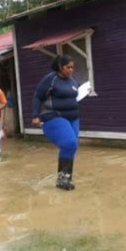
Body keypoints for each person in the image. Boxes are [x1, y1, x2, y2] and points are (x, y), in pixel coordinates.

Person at [32, 54, 79, 191]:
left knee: (72, 146)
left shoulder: (72, 80)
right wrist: (35, 115)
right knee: (69, 143)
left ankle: (65, 179)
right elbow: (38, 96)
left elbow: (74, 93)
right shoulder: (51, 79)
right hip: (54, 115)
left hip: (73, 117)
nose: (71, 70)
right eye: (68, 67)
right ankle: (62, 180)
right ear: (60, 66)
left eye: (72, 68)